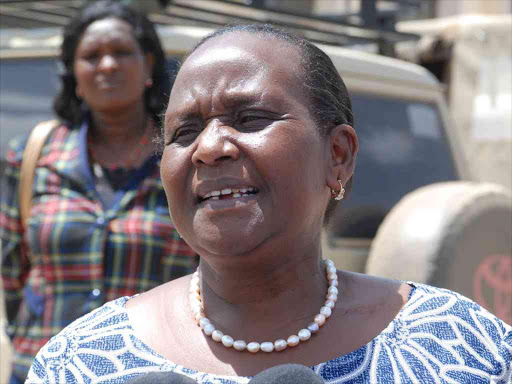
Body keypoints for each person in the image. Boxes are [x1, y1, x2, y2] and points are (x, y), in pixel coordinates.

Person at [27, 24, 511, 383]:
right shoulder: (78, 362)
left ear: (337, 155)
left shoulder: (463, 346)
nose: (210, 146)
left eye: (250, 118)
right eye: (184, 132)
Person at [0, 1, 197, 382]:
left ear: (149, 65)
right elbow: (12, 273)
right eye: (92, 56)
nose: (107, 65)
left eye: (122, 53)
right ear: (73, 72)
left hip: (149, 371)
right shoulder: (31, 156)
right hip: (45, 368)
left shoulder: (184, 158)